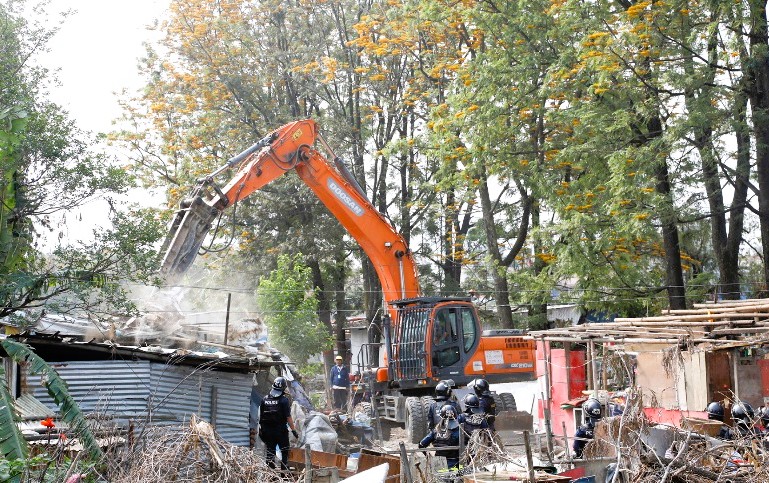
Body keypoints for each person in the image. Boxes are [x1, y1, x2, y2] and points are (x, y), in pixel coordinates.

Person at [259, 376, 299, 470]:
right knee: (284, 452)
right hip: (281, 431)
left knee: (270, 452)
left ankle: (270, 475)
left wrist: (263, 431)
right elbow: (288, 417)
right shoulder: (284, 400)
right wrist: (294, 431)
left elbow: (261, 417)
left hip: (268, 432)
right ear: (283, 388)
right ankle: (283, 475)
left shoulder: (264, 399)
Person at [419, 404, 462, 470]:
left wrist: (429, 457)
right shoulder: (458, 431)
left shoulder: (435, 431)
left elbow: (421, 445)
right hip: (455, 465)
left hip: (438, 465)